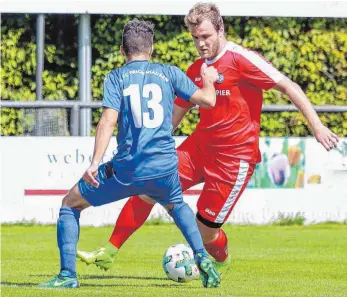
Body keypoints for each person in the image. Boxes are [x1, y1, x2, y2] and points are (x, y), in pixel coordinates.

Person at [77, 3, 340, 279]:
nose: (201, 44)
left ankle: (222, 259)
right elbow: (174, 116)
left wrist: (318, 125)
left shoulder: (242, 59)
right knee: (148, 188)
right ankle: (109, 250)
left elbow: (289, 86)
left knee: (206, 231)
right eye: (195, 38)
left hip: (233, 160)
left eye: (206, 36)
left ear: (220, 29)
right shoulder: (196, 69)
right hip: (198, 149)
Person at [38, 18, 222, 289]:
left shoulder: (116, 77)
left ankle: (67, 276)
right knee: (177, 205)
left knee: (70, 204)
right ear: (152, 48)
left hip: (128, 169)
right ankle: (202, 258)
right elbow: (208, 100)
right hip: (164, 168)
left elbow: (108, 121)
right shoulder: (170, 73)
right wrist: (209, 80)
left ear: (122, 50)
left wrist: (95, 162)